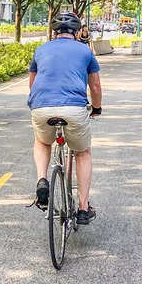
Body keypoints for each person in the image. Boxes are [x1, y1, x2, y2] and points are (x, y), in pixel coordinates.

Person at [28, 12, 103, 224]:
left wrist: (36, 104)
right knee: (82, 152)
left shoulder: (41, 49)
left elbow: (32, 83)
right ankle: (83, 208)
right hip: (74, 109)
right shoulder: (85, 50)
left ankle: (42, 179)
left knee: (42, 141)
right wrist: (96, 108)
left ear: (54, 32)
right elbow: (95, 86)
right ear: (78, 32)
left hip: (41, 106)